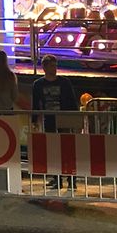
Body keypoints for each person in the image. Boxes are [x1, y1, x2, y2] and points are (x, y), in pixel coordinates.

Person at [32, 54, 78, 189]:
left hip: (64, 119)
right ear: (45, 67)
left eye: (55, 66)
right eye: (52, 66)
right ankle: (57, 178)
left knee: (67, 150)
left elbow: (72, 102)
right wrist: (35, 120)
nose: (55, 68)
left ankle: (71, 179)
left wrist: (75, 120)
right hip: (49, 119)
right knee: (53, 151)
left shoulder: (64, 82)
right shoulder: (38, 84)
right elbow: (36, 104)